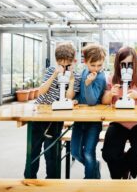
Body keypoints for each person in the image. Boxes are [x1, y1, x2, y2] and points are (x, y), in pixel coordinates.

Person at [24, 43, 80, 179]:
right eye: (61, 64)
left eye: (67, 65)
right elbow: (41, 91)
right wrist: (55, 73)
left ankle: (52, 180)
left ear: (74, 62)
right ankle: (30, 179)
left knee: (51, 153)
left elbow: (69, 97)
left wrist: (71, 79)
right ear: (56, 62)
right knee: (33, 151)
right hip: (39, 115)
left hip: (55, 119)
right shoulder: (51, 71)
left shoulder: (76, 77)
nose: (64, 68)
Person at [101, 46, 137, 179]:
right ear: (118, 64)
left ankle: (125, 169)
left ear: (135, 64)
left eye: (130, 64)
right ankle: (118, 179)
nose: (126, 67)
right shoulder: (111, 78)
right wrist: (110, 94)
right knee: (109, 153)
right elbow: (104, 101)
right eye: (123, 64)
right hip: (118, 123)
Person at [71, 44, 107, 179]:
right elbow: (81, 95)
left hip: (94, 120)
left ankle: (90, 181)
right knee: (75, 152)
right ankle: (94, 166)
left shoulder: (100, 77)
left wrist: (88, 84)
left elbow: (92, 101)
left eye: (100, 65)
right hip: (80, 118)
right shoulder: (84, 73)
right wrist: (75, 99)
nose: (96, 69)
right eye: (93, 65)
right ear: (85, 62)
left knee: (88, 153)